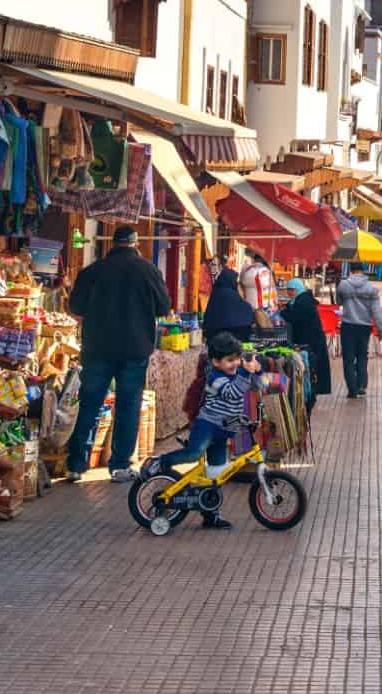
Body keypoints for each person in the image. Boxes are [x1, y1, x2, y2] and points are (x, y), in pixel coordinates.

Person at [64, 226, 172, 483]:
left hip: (97, 347)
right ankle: (120, 465)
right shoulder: (148, 271)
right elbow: (164, 307)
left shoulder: (92, 271)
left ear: (113, 244)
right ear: (135, 244)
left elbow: (75, 307)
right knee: (128, 406)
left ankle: (76, 465)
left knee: (90, 403)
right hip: (134, 349)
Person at [160, 333, 256, 528]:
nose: (235, 363)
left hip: (222, 432)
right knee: (193, 453)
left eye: (237, 359)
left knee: (215, 476)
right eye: (230, 360)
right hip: (208, 427)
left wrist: (257, 373)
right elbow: (233, 393)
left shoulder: (234, 373)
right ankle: (159, 462)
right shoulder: (215, 378)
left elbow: (245, 391)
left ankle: (211, 516)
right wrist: (246, 373)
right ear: (216, 362)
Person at [276, 279, 332, 410]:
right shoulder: (301, 300)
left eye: (291, 290)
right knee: (311, 370)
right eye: (288, 290)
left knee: (312, 370)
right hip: (311, 341)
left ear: (298, 289)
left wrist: (281, 312)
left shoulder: (303, 302)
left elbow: (294, 317)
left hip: (312, 342)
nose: (289, 293)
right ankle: (311, 393)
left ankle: (311, 395)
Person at [335, 263, 382, 398]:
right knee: (362, 356)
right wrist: (380, 330)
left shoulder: (343, 285)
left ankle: (352, 389)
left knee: (348, 359)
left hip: (348, 326)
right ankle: (361, 385)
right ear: (364, 271)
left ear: (350, 270)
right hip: (364, 328)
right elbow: (376, 312)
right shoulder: (371, 288)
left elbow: (339, 301)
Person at [238, 250, 276, 326]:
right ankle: (268, 333)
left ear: (254, 259)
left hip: (253, 303)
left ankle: (266, 332)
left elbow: (242, 283)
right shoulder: (267, 270)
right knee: (264, 319)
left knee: (258, 317)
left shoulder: (249, 270)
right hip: (268, 302)